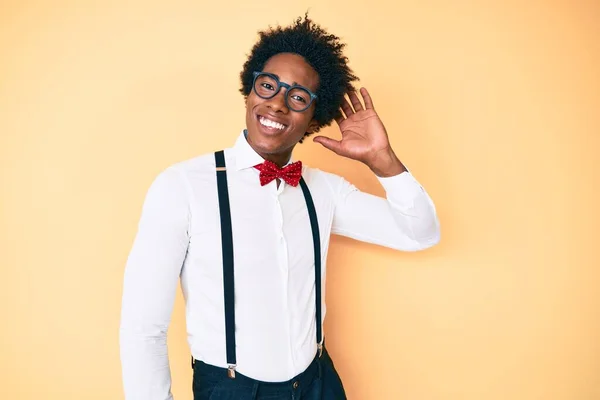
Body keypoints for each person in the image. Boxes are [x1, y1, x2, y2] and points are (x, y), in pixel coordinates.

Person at [119, 14, 440, 400]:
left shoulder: (324, 189)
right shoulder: (183, 185)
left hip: (318, 383)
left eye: (298, 97)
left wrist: (383, 160)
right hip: (230, 390)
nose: (277, 105)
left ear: (312, 119)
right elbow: (143, 326)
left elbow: (420, 234)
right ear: (250, 90)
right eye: (268, 86)